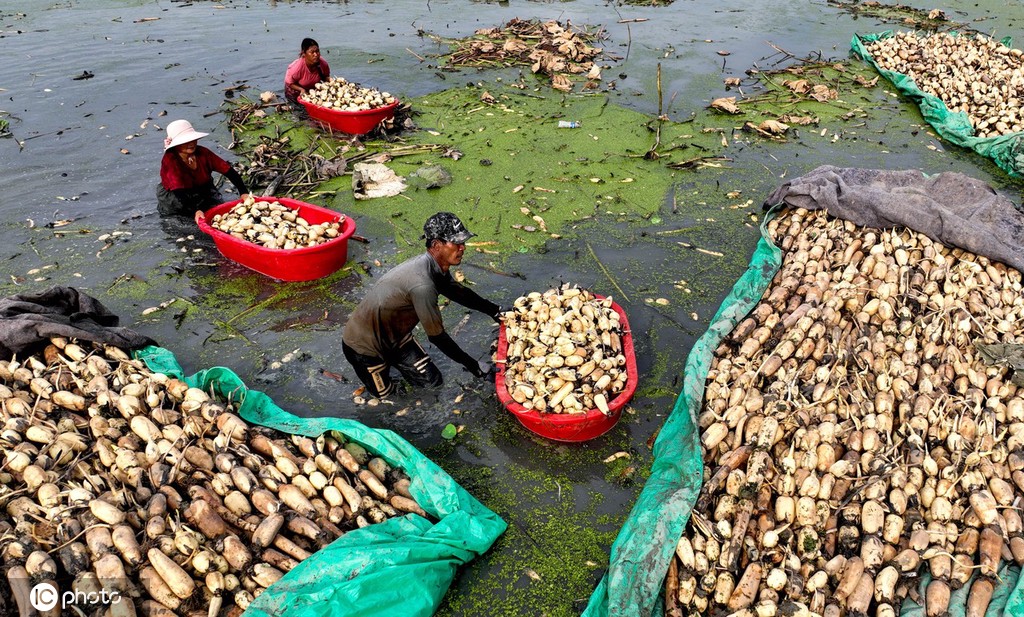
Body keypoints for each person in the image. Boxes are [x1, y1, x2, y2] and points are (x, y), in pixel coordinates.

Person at [342, 212, 502, 398]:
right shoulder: (422, 285)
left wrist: (495, 311)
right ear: (436, 245)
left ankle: (395, 365)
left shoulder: (435, 267)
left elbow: (456, 292)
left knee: (432, 383)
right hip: (364, 348)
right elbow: (437, 337)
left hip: (398, 338)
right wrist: (475, 367)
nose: (462, 248)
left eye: (463, 242)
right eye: (456, 243)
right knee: (392, 400)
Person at [156, 119, 249, 217]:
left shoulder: (203, 153)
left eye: (193, 139)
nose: (191, 143)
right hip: (177, 194)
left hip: (203, 188)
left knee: (216, 212)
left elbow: (228, 171)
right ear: (176, 144)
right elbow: (179, 191)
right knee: (183, 220)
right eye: (186, 141)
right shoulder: (170, 160)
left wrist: (243, 192)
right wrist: (196, 211)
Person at [285, 38, 330, 104]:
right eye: (312, 52)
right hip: (295, 94)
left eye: (317, 51)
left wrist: (331, 81)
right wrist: (301, 89)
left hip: (312, 92)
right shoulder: (296, 68)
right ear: (304, 53)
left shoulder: (323, 64)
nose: (316, 55)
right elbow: (289, 83)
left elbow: (325, 77)